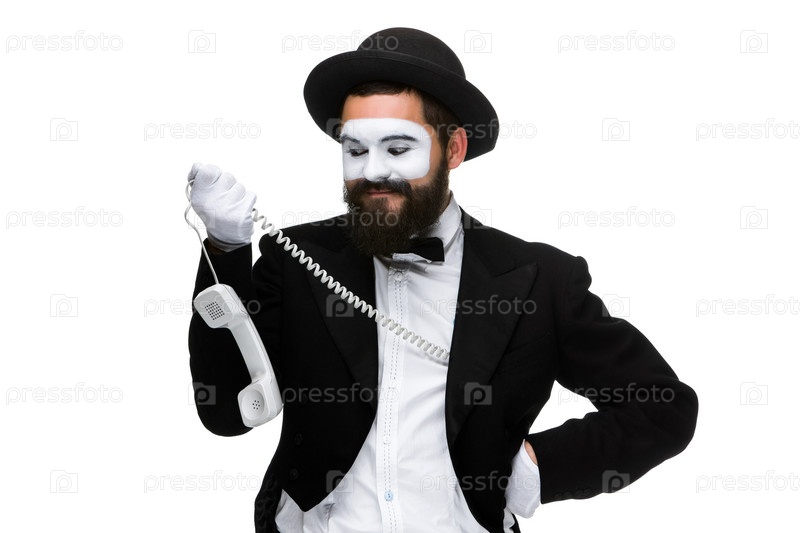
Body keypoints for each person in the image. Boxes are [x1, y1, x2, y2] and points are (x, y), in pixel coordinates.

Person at [187, 27, 698, 533]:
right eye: (355, 150)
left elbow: (663, 408)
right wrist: (226, 249)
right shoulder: (297, 260)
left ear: (453, 149)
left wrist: (539, 467)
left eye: (397, 148)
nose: (373, 171)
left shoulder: (541, 280)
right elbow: (226, 412)